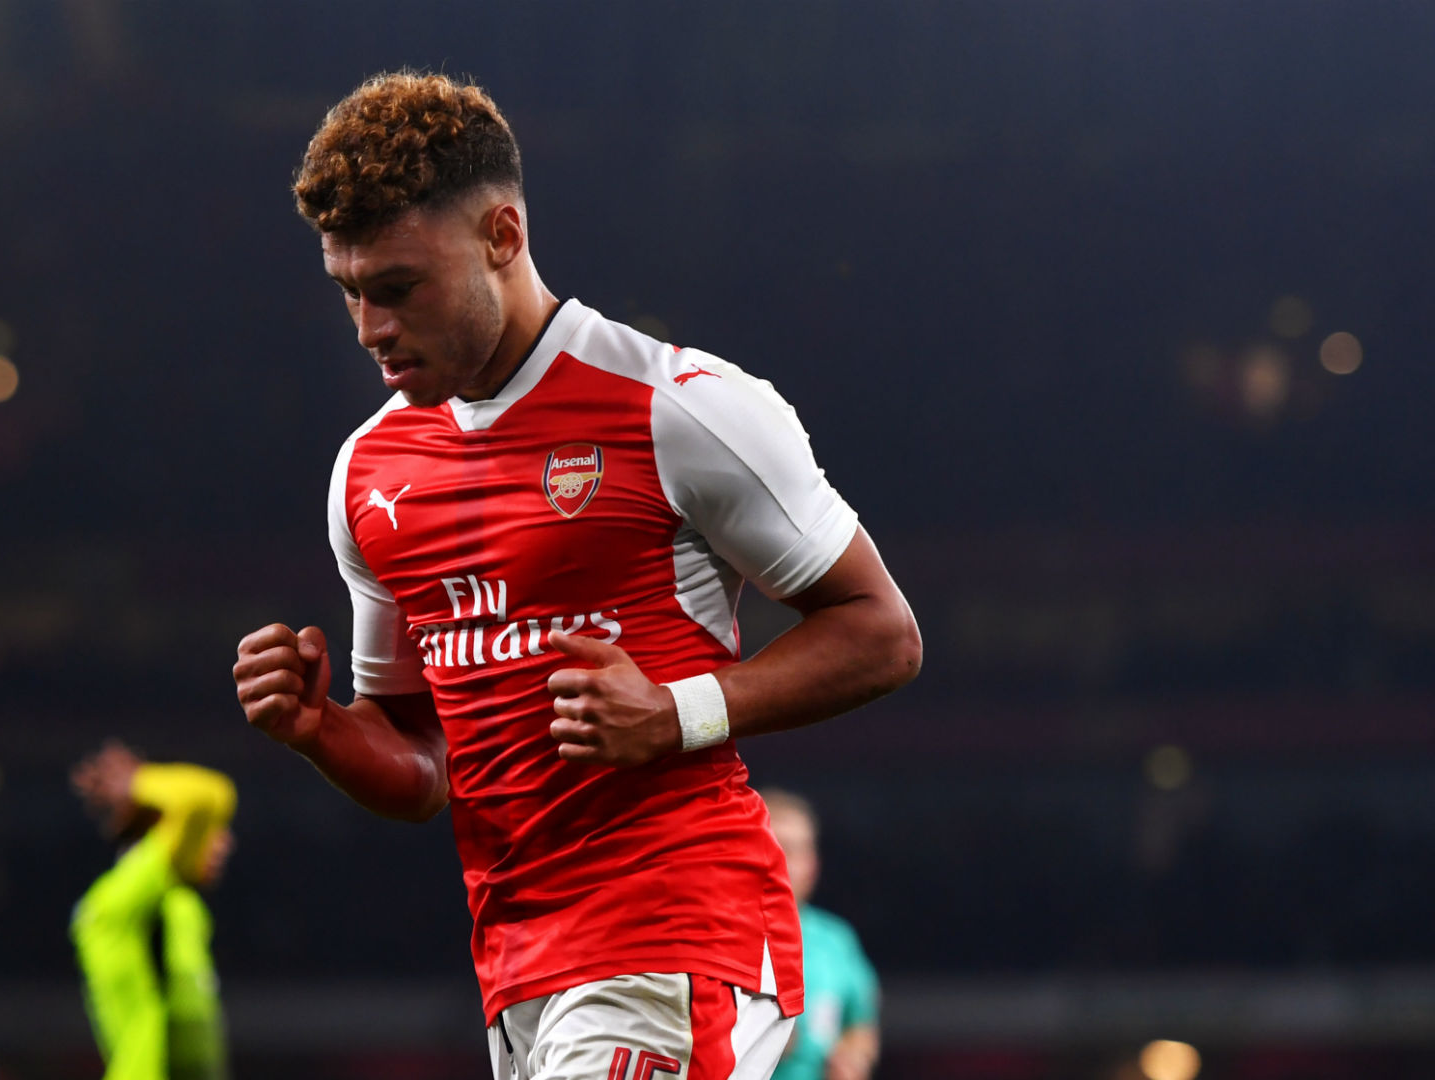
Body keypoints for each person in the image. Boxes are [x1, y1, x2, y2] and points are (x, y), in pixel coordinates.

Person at [231, 71, 921, 1080]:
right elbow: (425, 766)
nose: (371, 327)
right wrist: (321, 730)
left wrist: (676, 712)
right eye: (349, 291)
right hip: (517, 965)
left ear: (502, 235)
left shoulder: (678, 405)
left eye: (398, 288)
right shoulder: (369, 473)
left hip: (675, 931)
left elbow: (882, 632)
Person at [69, 741, 236, 1080]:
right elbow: (208, 796)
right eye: (203, 831)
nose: (224, 843)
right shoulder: (114, 905)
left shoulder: (183, 906)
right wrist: (139, 783)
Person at [762, 791, 881, 1080]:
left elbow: (861, 1026)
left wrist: (852, 1058)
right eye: (776, 847)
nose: (786, 863)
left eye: (796, 851)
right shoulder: (720, 935)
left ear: (813, 864)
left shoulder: (836, 940)